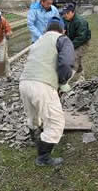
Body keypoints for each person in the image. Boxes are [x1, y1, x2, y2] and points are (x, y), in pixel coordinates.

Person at [19, 17, 75, 166]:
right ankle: (43, 157)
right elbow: (66, 63)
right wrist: (62, 81)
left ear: (46, 30)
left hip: (24, 82)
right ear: (63, 30)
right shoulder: (63, 39)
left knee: (33, 115)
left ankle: (34, 138)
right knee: (56, 122)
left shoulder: (38, 41)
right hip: (41, 84)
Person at [62, 3, 91, 80]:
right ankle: (81, 75)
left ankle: (66, 81)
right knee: (78, 58)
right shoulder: (65, 19)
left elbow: (81, 37)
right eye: (64, 13)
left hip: (83, 42)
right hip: (71, 41)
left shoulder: (80, 21)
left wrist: (70, 46)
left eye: (67, 13)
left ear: (72, 12)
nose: (65, 15)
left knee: (74, 57)